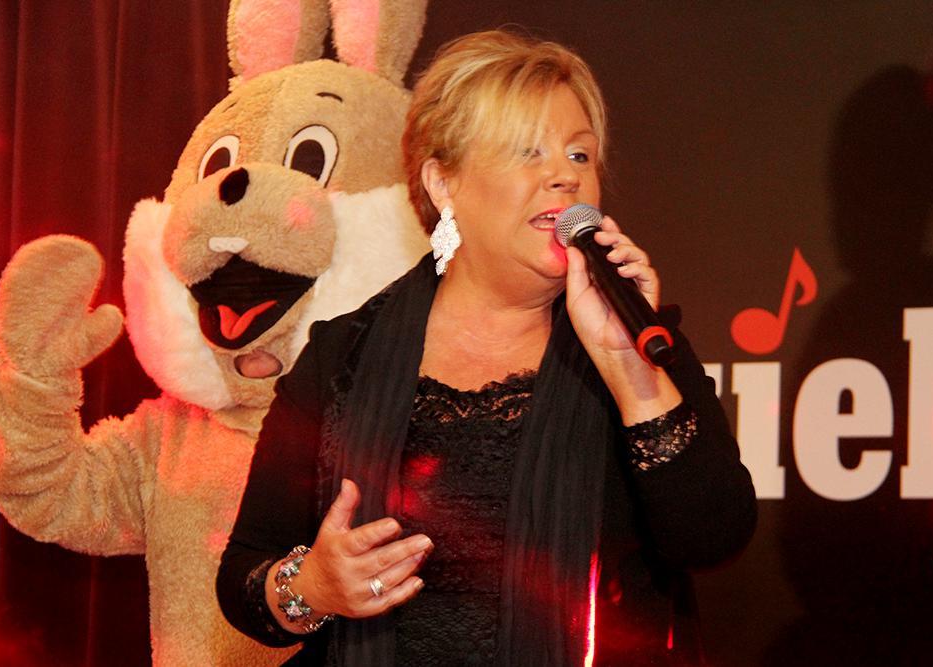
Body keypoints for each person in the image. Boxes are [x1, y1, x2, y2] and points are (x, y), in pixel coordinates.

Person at [217, 29, 756, 665]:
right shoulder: (344, 356)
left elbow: (713, 538)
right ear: (443, 183)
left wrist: (625, 369)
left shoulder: (638, 340)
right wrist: (312, 588)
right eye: (527, 152)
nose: (565, 175)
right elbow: (245, 577)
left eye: (580, 154)